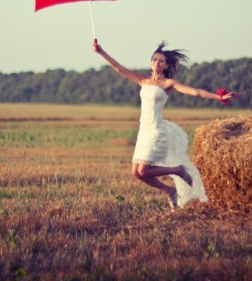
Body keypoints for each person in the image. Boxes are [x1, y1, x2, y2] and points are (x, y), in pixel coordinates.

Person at [92, 38, 238, 211]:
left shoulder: (168, 84)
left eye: (161, 61)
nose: (157, 62)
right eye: (154, 59)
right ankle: (170, 191)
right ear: (150, 62)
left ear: (166, 66)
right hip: (143, 130)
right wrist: (101, 51)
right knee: (136, 174)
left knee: (145, 171)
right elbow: (118, 68)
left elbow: (195, 92)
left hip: (155, 129)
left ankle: (178, 170)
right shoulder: (143, 80)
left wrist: (219, 97)